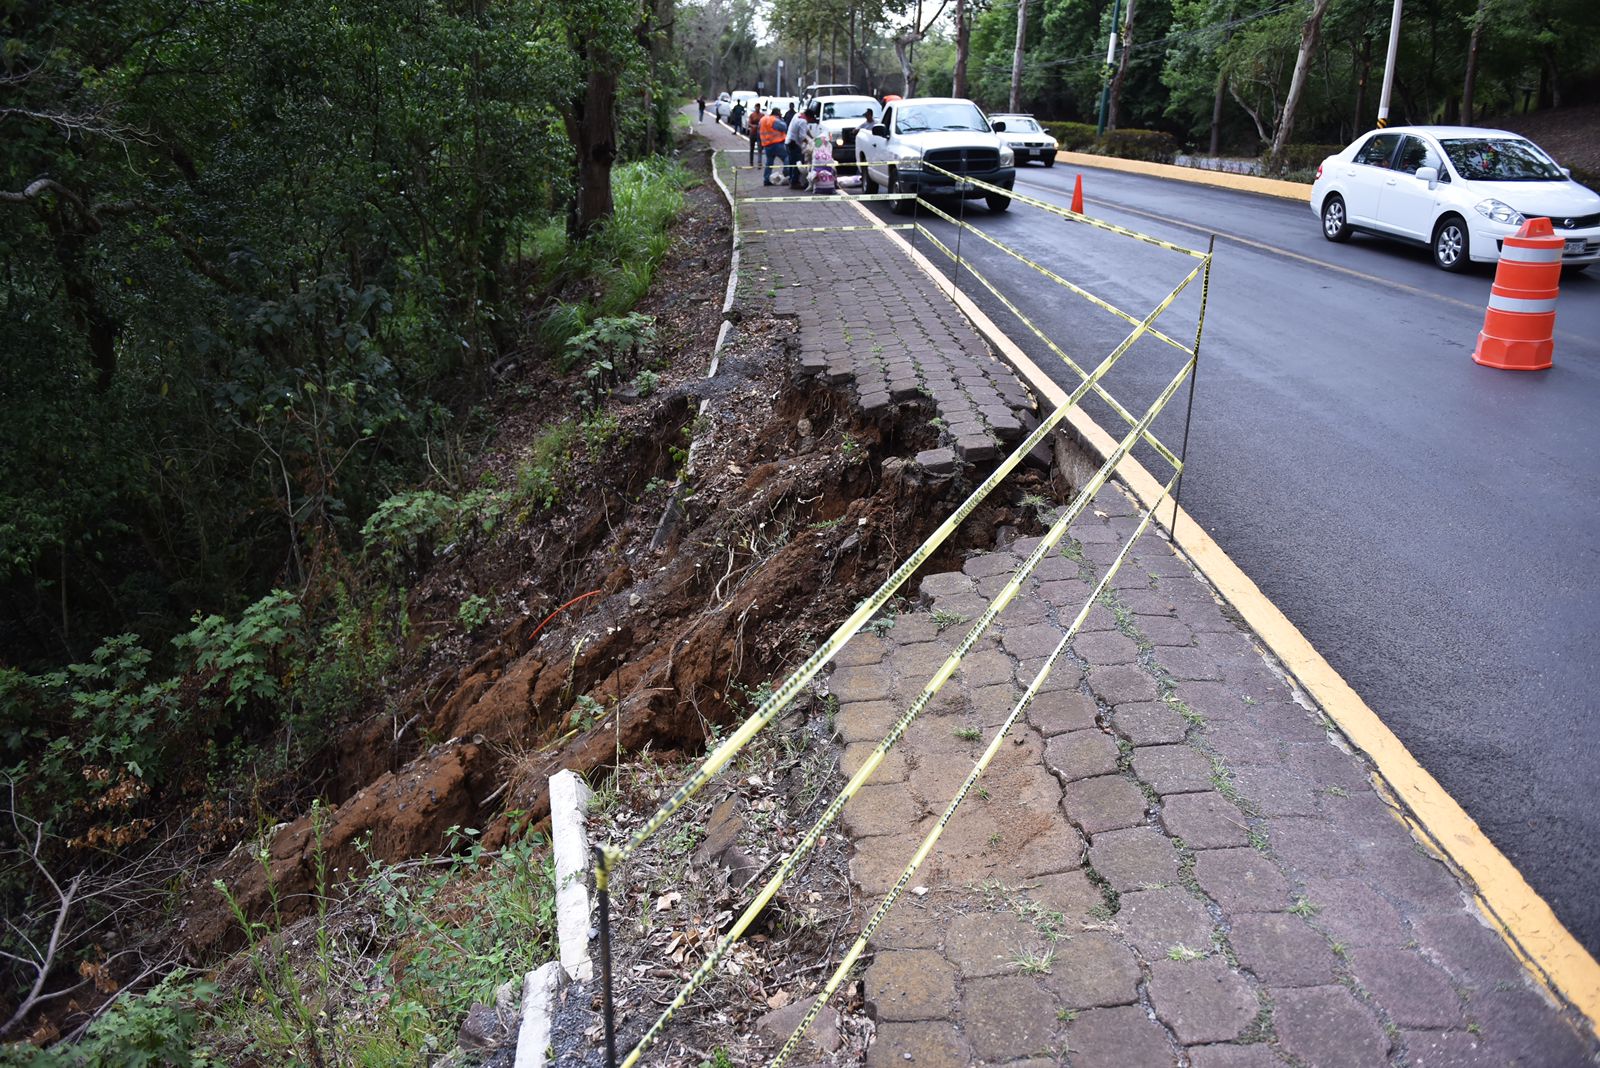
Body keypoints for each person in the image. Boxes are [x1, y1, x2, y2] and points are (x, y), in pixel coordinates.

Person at [785, 106, 814, 189]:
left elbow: (806, 130)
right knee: (798, 162)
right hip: (794, 144)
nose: (810, 121)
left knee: (792, 163)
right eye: (811, 119)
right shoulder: (803, 121)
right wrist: (811, 143)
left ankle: (792, 180)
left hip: (788, 141)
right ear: (809, 117)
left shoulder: (798, 115)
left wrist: (813, 138)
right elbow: (802, 136)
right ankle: (794, 182)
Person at [759, 109, 787, 186]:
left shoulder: (763, 119)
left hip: (767, 145)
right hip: (776, 144)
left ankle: (766, 179)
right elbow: (784, 127)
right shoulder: (774, 120)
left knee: (769, 162)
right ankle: (787, 174)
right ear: (777, 113)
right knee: (786, 157)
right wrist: (781, 119)